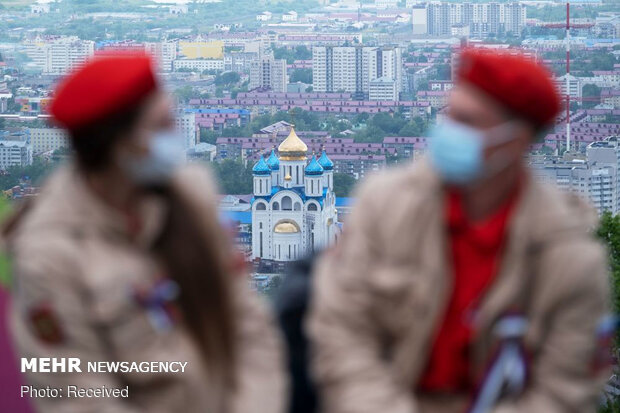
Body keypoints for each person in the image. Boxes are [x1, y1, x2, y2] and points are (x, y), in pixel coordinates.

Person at [308, 48, 612, 413]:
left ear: (514, 141)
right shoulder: (384, 206)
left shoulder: (569, 256)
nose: (448, 132)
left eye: (467, 121)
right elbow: (341, 333)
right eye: (449, 115)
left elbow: (564, 391)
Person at [5, 53, 287, 413]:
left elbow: (249, 328)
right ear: (121, 143)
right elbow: (74, 395)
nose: (177, 136)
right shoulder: (49, 253)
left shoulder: (188, 195)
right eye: (164, 125)